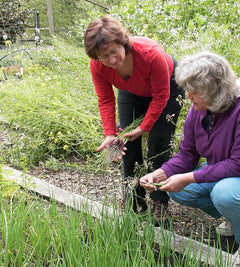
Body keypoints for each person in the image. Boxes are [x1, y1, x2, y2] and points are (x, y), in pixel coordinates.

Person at [140, 52, 240, 261]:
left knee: (225, 194)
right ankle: (236, 216)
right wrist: (161, 173)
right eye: (187, 89)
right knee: (179, 191)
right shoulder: (198, 111)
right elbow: (187, 155)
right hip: (231, 177)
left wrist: (187, 177)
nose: (188, 96)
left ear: (213, 89)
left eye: (193, 91)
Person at [84, 15, 185, 223]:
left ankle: (160, 201)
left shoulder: (150, 53)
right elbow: (105, 99)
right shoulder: (97, 66)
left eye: (115, 51)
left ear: (123, 42)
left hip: (167, 88)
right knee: (126, 143)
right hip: (132, 91)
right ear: (96, 57)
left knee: (159, 144)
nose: (112, 60)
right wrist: (111, 134)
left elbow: (161, 97)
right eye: (104, 56)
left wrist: (144, 127)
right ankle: (133, 198)